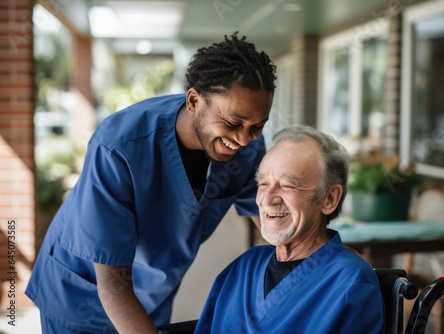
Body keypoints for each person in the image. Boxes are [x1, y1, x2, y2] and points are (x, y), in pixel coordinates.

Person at [26, 32, 276, 333]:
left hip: (149, 298)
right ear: (194, 101)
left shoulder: (247, 149)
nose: (243, 138)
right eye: (233, 123)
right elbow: (112, 284)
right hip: (82, 293)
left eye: (257, 127)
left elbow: (268, 221)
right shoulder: (118, 147)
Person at [195, 125, 385, 333]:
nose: (266, 199)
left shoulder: (351, 283)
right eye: (263, 183)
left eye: (287, 185)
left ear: (329, 199)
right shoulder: (243, 267)